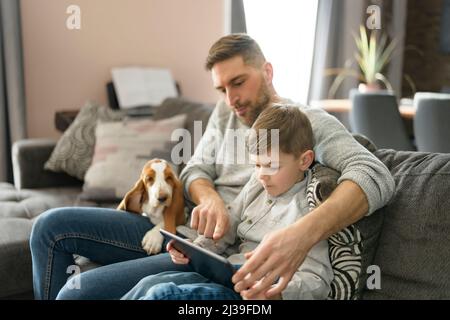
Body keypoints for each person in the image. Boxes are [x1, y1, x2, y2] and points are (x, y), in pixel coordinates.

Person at [29, 33, 394, 300]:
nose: (231, 99)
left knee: (78, 294)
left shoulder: (305, 124)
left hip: (218, 253)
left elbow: (374, 174)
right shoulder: (225, 112)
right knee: (50, 227)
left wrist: (300, 237)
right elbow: (195, 171)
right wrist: (210, 199)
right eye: (221, 89)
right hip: (184, 231)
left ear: (267, 71)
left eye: (238, 83)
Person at [121, 105, 334, 300]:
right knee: (149, 283)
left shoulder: (309, 212)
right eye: (257, 165)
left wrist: (276, 294)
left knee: (162, 294)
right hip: (227, 275)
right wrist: (194, 250)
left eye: (271, 166)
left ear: (304, 160)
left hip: (253, 294)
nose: (262, 175)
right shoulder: (257, 184)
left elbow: (317, 281)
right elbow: (228, 226)